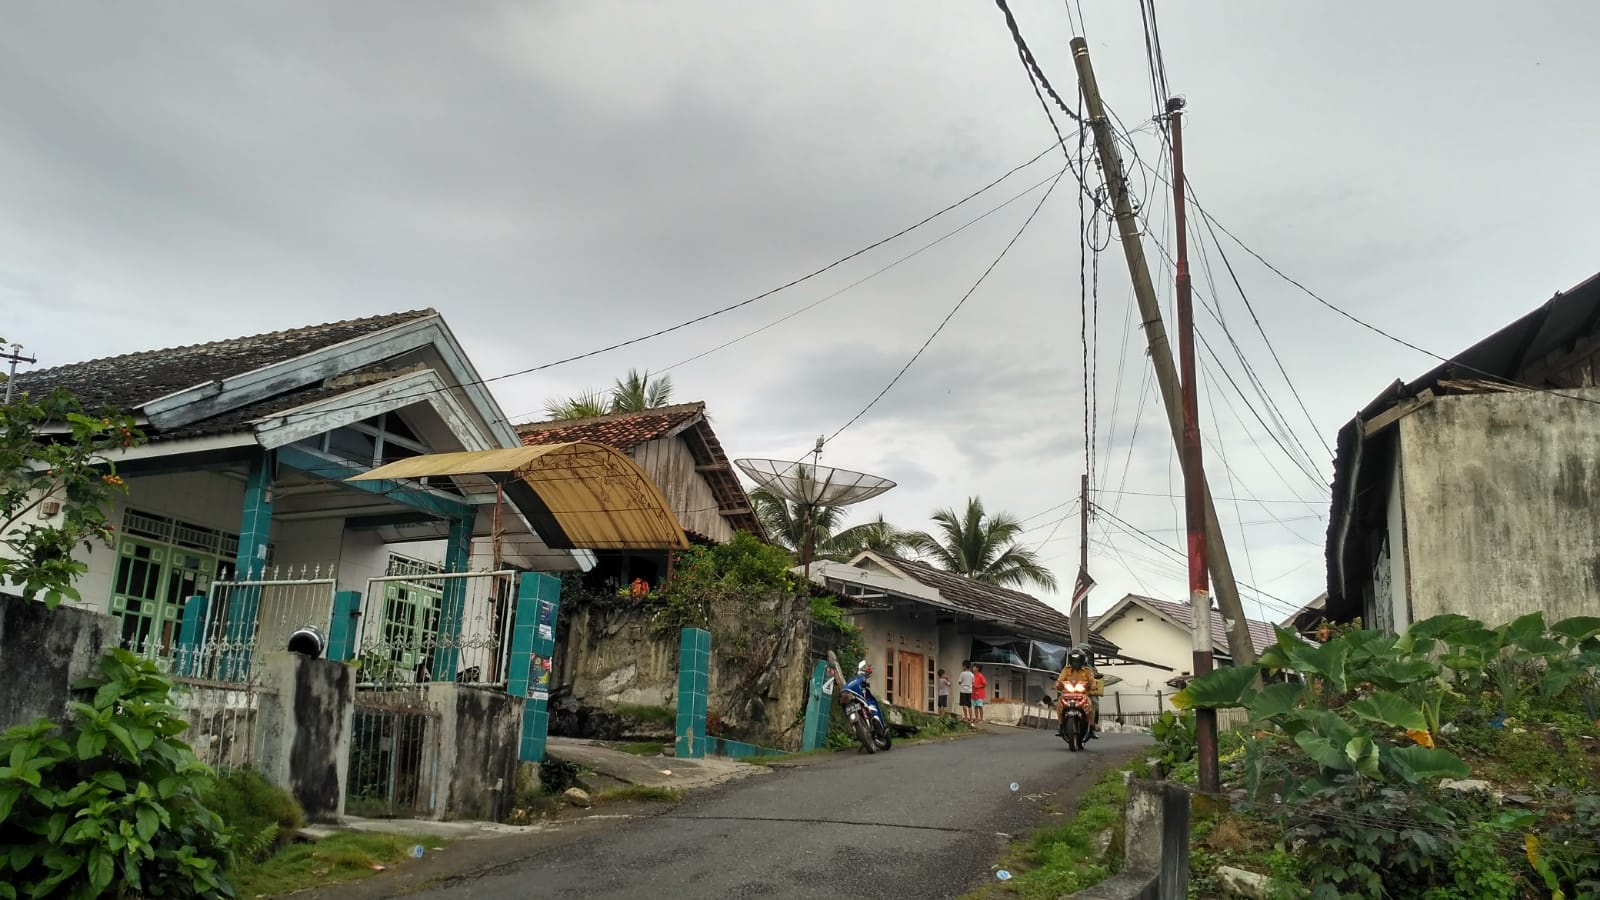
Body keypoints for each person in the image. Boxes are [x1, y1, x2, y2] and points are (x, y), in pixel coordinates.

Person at [1055, 648, 1101, 738]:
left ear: (1082, 660)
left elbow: (1092, 681)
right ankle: (1060, 726)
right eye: (1073, 660)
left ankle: (1091, 728)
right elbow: (1060, 679)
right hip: (1068, 694)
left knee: (1092, 705)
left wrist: (1093, 685)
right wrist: (1057, 684)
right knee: (1059, 704)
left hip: (1083, 694)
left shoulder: (1088, 670)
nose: (1075, 662)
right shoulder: (1066, 669)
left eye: (1078, 660)